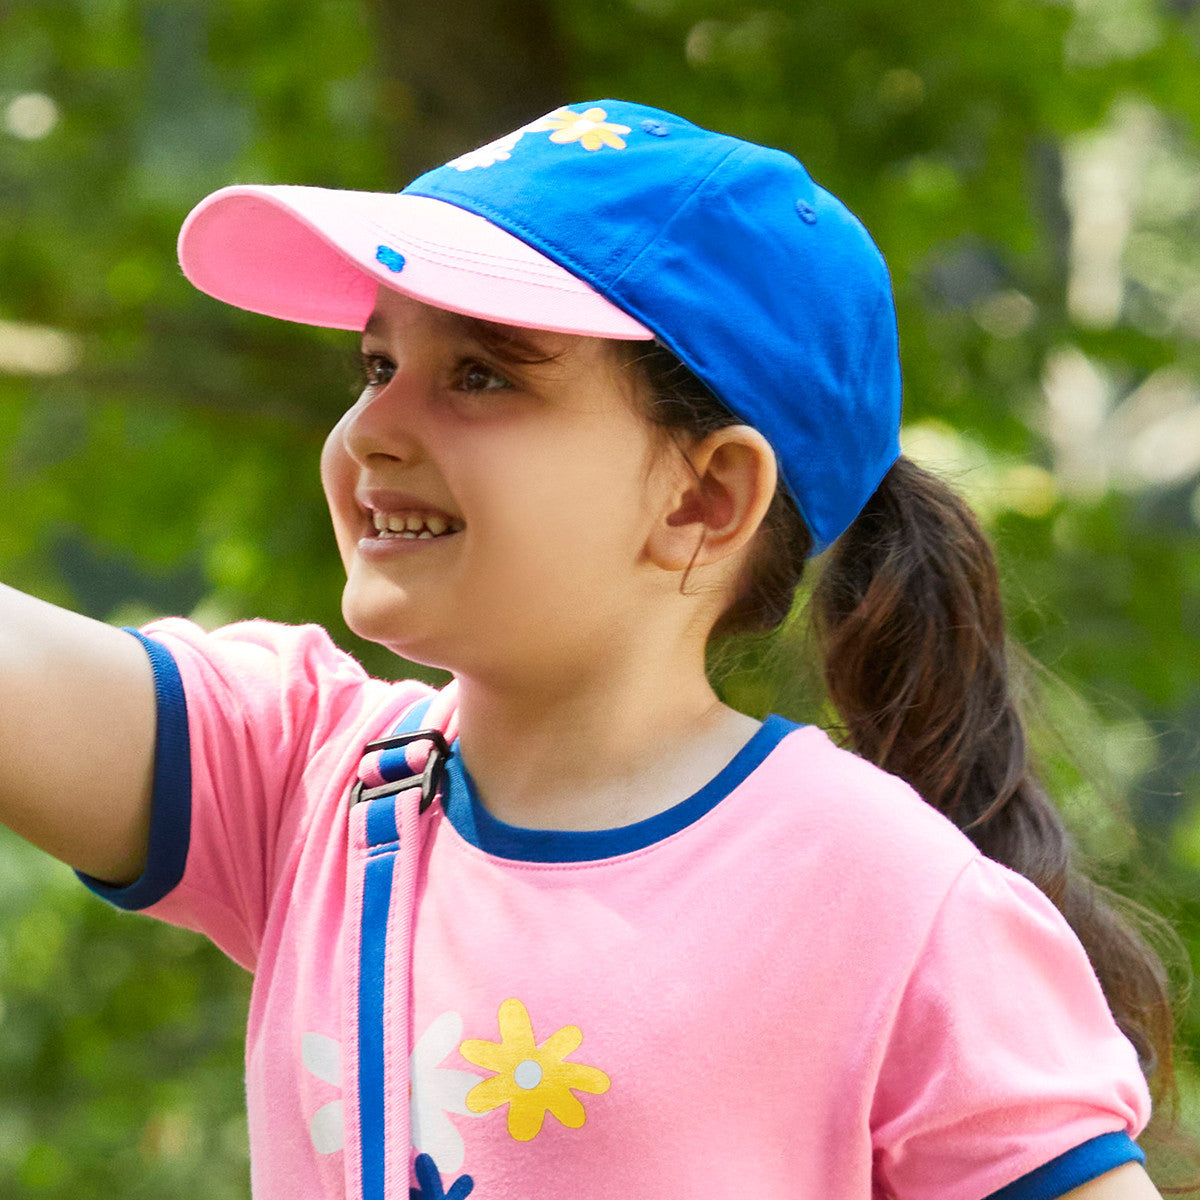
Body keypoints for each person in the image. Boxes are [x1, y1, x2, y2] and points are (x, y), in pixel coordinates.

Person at [0, 99, 1177, 1200]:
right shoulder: (299, 777)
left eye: (478, 375)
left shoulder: (891, 901)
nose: (372, 428)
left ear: (706, 499)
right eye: (375, 365)